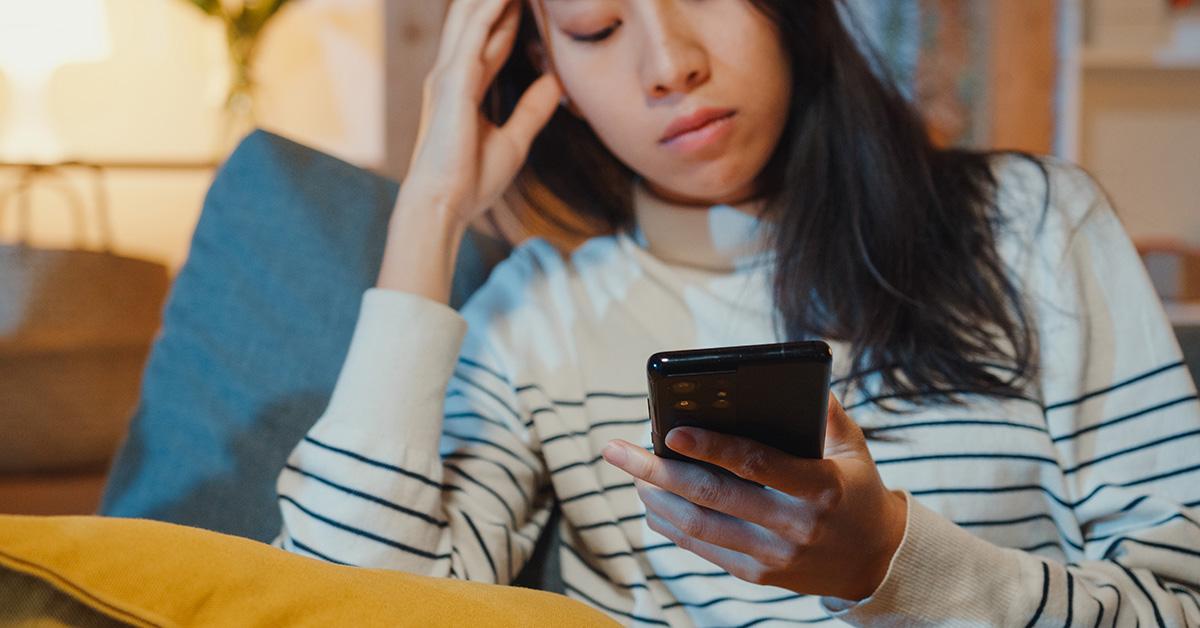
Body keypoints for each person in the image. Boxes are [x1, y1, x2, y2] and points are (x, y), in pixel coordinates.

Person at [272, 0, 1200, 625]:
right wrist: (430, 209)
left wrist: (889, 565)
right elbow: (335, 603)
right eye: (595, 25)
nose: (670, 64)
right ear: (539, 66)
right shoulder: (536, 319)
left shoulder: (1032, 225)